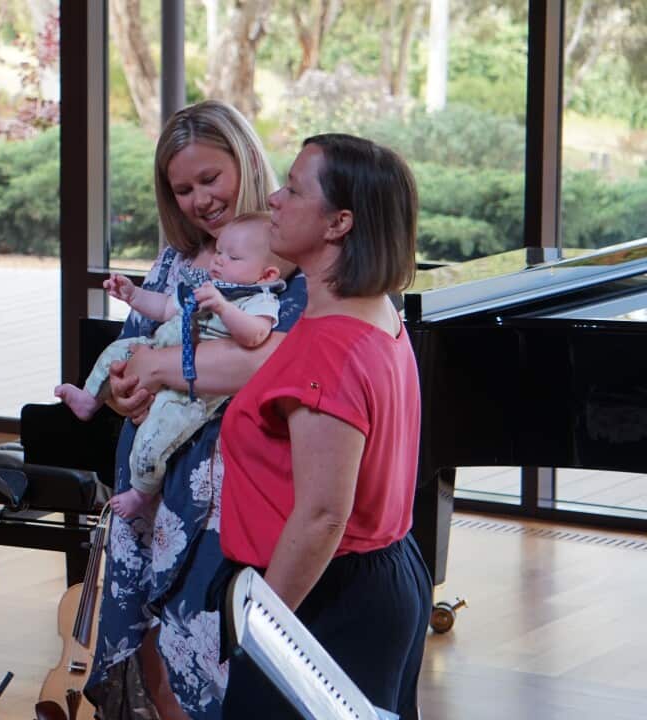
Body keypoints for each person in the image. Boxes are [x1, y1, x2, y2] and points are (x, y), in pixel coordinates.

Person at [83, 101, 307, 720]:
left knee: (205, 667)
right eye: (182, 189)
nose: (199, 200)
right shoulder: (177, 260)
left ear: (246, 161)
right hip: (151, 488)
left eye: (211, 179)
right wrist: (120, 392)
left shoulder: (287, 263)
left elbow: (268, 364)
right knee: (153, 658)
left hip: (226, 500)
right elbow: (134, 347)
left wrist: (158, 371)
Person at [215, 134, 432, 719]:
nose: (274, 199)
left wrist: (259, 630)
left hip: (327, 594)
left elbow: (322, 516)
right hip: (386, 575)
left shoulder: (329, 352)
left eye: (292, 188)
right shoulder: (375, 310)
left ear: (339, 223)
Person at [55, 213, 291, 520]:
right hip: (157, 348)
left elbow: (255, 335)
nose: (219, 261)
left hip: (191, 391)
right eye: (219, 252)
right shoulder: (209, 284)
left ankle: (142, 491)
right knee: (117, 350)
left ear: (266, 275)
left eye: (232, 257)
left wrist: (222, 305)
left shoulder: (257, 299)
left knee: (156, 435)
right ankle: (89, 399)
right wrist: (134, 295)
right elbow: (167, 307)